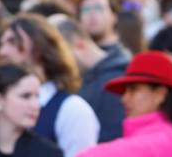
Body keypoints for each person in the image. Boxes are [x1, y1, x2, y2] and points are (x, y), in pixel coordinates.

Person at [0, 14, 98, 157]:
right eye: (2, 44)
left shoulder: (72, 110)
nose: (2, 52)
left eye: (13, 42)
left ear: (39, 48)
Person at [52, 14, 129, 143]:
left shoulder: (115, 80)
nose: (59, 65)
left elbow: (112, 137)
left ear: (80, 46)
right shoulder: (86, 77)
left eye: (61, 57)